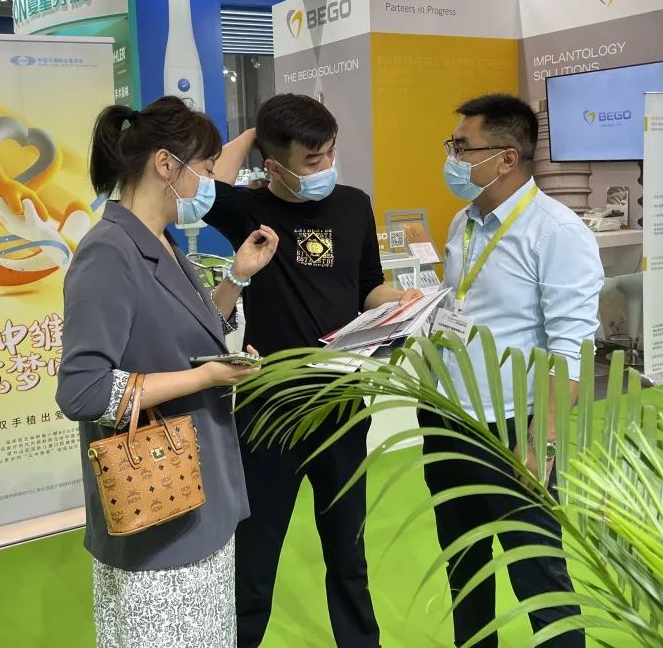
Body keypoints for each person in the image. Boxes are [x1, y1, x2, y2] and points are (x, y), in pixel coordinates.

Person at [57, 98, 280, 648]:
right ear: (166, 165)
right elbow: (83, 389)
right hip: (157, 501)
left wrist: (237, 279)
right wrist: (206, 379)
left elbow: (190, 338)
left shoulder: (163, 242)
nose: (211, 185)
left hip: (202, 489)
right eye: (205, 170)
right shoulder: (108, 252)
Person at [208, 93, 423, 648]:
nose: (326, 166)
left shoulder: (354, 204)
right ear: (275, 167)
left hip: (342, 406)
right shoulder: (249, 210)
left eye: (330, 153)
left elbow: (367, 285)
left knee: (349, 554)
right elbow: (205, 188)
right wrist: (253, 133)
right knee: (255, 556)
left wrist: (400, 301)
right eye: (312, 159)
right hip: (270, 412)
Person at [424, 94, 603, 648]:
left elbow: (571, 348)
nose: (452, 158)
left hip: (513, 426)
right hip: (447, 421)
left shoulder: (557, 232)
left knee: (538, 576)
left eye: (462, 147)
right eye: (452, 145)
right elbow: (460, 306)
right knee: (465, 570)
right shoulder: (464, 220)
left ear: (505, 158)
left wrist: (540, 442)